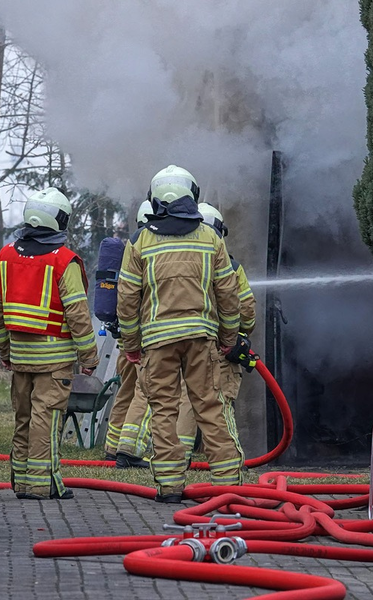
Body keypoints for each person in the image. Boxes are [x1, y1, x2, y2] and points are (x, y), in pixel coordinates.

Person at [117, 165, 243, 503]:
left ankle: (170, 486)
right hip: (201, 339)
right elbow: (228, 295)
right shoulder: (211, 238)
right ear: (192, 195)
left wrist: (131, 345)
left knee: (163, 411)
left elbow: (127, 300)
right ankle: (228, 486)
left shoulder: (139, 241)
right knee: (210, 408)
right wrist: (228, 338)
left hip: (157, 343)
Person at [0, 187, 99, 500]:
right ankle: (41, 485)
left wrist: (5, 351)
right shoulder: (63, 261)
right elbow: (78, 315)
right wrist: (89, 357)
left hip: (20, 358)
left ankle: (22, 482)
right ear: (59, 220)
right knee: (45, 421)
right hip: (54, 362)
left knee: (23, 418)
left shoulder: (6, 256)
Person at [176, 202, 256, 460]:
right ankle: (227, 458)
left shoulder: (179, 262)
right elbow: (247, 310)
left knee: (188, 398)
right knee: (221, 401)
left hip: (187, 343)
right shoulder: (230, 266)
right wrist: (238, 333)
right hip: (221, 346)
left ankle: (179, 456)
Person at [102, 200, 153, 468]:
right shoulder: (153, 251)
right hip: (145, 338)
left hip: (125, 337)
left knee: (126, 390)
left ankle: (112, 446)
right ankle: (129, 449)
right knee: (147, 389)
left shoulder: (131, 250)